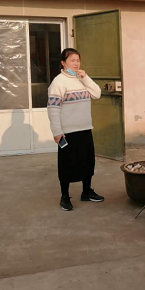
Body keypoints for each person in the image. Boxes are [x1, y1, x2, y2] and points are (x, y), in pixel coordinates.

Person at [47, 48, 103, 211]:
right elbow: (53, 109)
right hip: (68, 133)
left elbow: (97, 94)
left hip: (85, 128)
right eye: (72, 60)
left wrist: (85, 78)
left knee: (87, 162)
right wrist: (57, 131)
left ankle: (86, 191)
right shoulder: (58, 82)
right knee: (67, 165)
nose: (76, 63)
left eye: (78, 60)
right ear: (63, 63)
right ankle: (65, 196)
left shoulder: (82, 79)